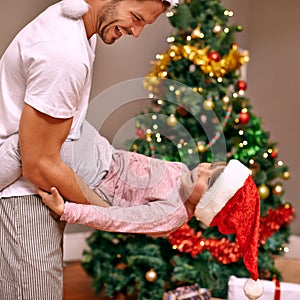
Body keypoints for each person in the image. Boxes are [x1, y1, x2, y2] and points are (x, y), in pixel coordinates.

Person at [0, 0, 177, 299]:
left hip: (37, 187)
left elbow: (63, 134)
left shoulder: (81, 29)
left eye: (144, 24)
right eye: (135, 18)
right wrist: (111, 216)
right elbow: (39, 164)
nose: (135, 32)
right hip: (24, 193)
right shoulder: (64, 54)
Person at [0, 120, 226, 237]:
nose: (203, 170)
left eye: (207, 181)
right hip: (104, 152)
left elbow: (119, 219)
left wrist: (67, 210)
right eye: (211, 168)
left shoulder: (171, 214)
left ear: (207, 204)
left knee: (28, 144)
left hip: (96, 175)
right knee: (60, 118)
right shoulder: (183, 171)